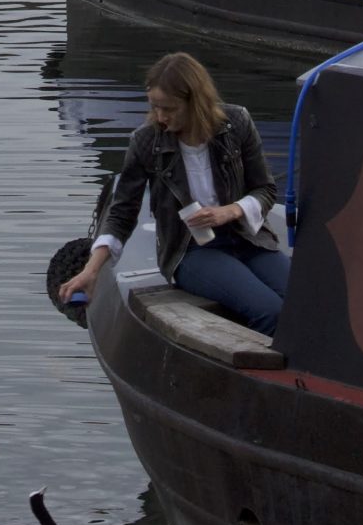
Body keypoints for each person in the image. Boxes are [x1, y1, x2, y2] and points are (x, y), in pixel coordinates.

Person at [56, 52, 288, 336]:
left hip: (248, 238)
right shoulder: (146, 141)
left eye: (169, 109)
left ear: (196, 102)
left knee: (306, 302)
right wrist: (90, 271)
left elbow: (265, 189)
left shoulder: (237, 123)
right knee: (270, 311)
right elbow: (122, 213)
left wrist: (230, 211)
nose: (160, 117)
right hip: (191, 251)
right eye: (154, 107)